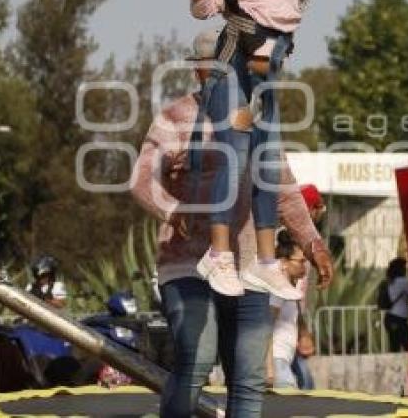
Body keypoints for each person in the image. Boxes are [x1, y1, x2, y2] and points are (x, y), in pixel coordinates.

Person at [130, 29, 334, 418]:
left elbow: (284, 191)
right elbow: (141, 180)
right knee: (197, 359)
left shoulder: (259, 120)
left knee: (249, 375)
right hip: (189, 265)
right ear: (203, 73)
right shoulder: (175, 118)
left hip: (250, 270)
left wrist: (313, 244)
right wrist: (175, 210)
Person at [189, 0, 340, 300]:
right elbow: (201, 9)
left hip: (264, 83)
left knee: (268, 167)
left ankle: (265, 262)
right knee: (235, 159)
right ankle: (218, 254)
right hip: (231, 74)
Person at [267, 231, 307, 388]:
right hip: (277, 361)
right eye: (300, 262)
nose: (304, 266)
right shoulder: (277, 289)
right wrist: (269, 366)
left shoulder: (288, 288)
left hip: (284, 359)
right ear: (284, 262)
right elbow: (267, 326)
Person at [382, 257, 408, 352]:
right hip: (398, 319)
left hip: (390, 318)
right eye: (405, 268)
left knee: (394, 347)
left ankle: (392, 366)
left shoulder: (390, 281)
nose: (406, 270)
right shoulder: (404, 282)